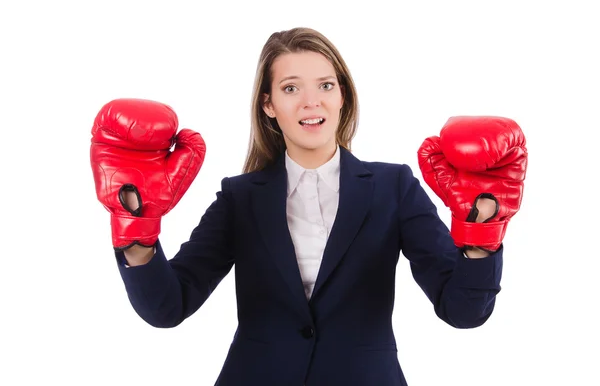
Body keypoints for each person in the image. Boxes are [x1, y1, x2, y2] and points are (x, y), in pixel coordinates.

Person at [90, 27, 527, 385]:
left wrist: (481, 229)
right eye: (291, 87)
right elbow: (168, 307)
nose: (311, 101)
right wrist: (136, 227)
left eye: (325, 85)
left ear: (342, 97)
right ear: (269, 106)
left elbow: (463, 311)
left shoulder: (394, 186)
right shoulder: (240, 197)